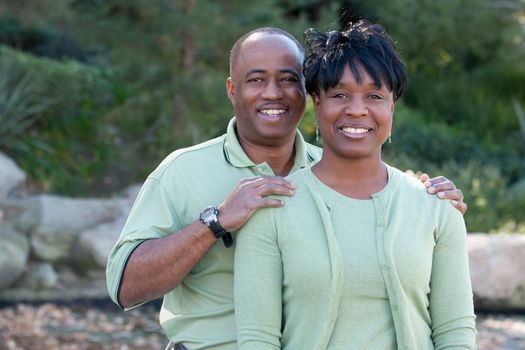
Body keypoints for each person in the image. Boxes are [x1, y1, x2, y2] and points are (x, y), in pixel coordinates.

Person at [106, 27, 468, 350]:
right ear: (233, 89)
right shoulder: (182, 171)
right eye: (256, 80)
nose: (273, 93)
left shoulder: (332, 166)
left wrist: (429, 204)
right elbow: (124, 288)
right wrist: (214, 223)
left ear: (307, 92)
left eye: (288, 79)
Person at [234, 21, 476, 350]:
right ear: (316, 103)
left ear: (392, 106)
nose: (357, 110)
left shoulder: (437, 208)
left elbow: (456, 333)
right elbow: (257, 340)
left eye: (374, 95)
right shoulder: (271, 208)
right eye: (340, 95)